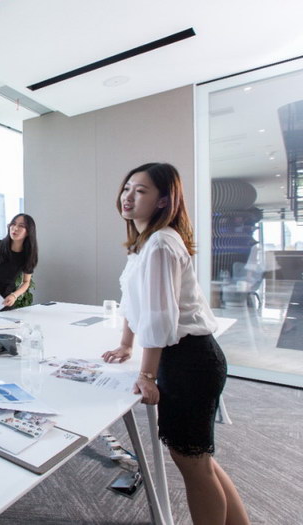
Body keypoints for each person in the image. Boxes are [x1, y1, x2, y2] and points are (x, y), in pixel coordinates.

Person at [102, 163, 249, 525]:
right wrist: (126, 344)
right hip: (184, 358)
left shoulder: (161, 243)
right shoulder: (144, 243)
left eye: (141, 191)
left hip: (190, 361)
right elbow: (134, 302)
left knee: (194, 465)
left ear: (163, 201)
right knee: (198, 460)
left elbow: (159, 317)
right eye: (127, 188)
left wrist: (147, 375)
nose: (128, 196)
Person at [0, 213, 38, 315]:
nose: (15, 228)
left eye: (21, 226)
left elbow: (26, 282)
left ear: (28, 232)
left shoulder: (28, 255)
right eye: (13, 224)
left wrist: (14, 295)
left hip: (6, 301)